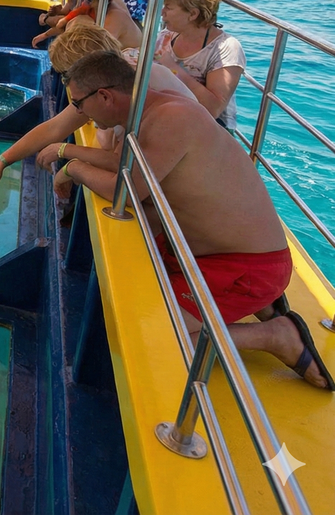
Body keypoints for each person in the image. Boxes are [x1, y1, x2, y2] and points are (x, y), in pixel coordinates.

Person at [57, 50, 332, 391]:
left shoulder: (170, 120)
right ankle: (259, 305)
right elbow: (122, 162)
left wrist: (74, 169)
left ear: (105, 96)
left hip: (247, 267)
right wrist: (65, 152)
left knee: (152, 336)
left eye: (79, 104)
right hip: (204, 252)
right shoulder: (155, 108)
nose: (80, 114)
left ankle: (276, 335)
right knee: (130, 289)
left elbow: (125, 190)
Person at [0, 24, 195, 196]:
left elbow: (121, 166)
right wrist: (1, 162)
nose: (68, 86)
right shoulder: (117, 79)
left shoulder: (140, 88)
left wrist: (67, 156)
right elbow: (54, 128)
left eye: (68, 76)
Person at [153, 0, 245, 130]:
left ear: (192, 14)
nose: (162, 12)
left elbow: (213, 109)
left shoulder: (226, 48)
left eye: (168, 7)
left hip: (209, 128)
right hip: (167, 113)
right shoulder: (166, 36)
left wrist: (172, 67)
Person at [32, 0, 143, 49]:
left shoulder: (116, 16)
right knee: (77, 20)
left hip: (128, 58)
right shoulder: (92, 5)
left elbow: (100, 47)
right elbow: (66, 24)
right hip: (109, 51)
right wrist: (45, 35)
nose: (84, 3)